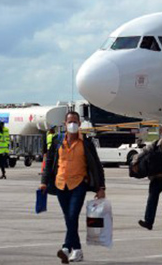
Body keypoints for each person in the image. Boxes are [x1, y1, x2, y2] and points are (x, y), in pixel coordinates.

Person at [40, 111, 106, 264]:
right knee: (69, 218)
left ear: (80, 123)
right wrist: (44, 181)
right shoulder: (57, 141)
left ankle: (65, 247)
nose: (72, 124)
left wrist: (101, 187)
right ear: (64, 123)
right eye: (70, 121)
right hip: (60, 184)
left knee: (72, 215)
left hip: (79, 184)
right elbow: (49, 162)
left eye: (75, 121)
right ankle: (76, 249)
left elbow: (96, 166)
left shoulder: (86, 143)